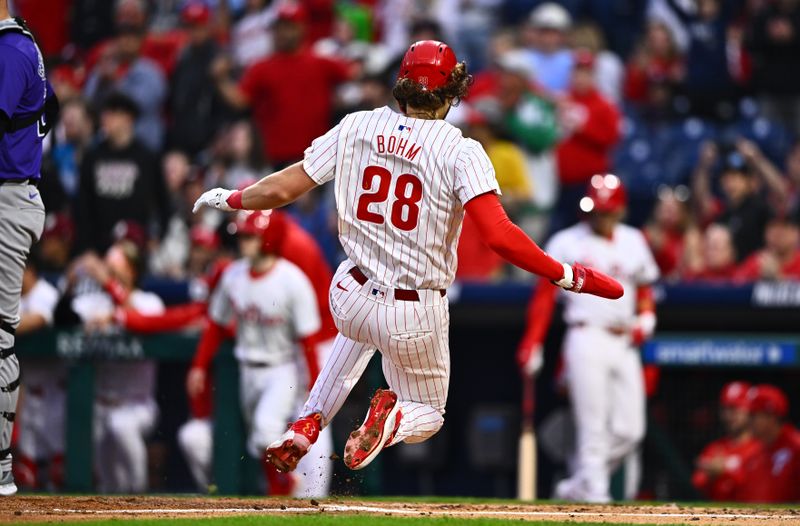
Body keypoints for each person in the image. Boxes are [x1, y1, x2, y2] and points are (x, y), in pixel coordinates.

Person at [193, 40, 623, 475]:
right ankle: (394, 420)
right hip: (413, 309)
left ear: (402, 85)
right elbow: (500, 237)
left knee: (357, 335)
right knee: (429, 414)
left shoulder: (356, 126)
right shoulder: (461, 150)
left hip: (350, 292)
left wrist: (232, 198)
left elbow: (286, 188)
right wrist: (567, 274)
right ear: (452, 91)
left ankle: (308, 422)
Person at [517, 175, 659, 503]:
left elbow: (645, 287)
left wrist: (647, 317)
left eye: (607, 211)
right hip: (586, 338)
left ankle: (576, 485)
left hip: (625, 342)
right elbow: (544, 298)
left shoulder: (634, 240)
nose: (601, 217)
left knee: (630, 431)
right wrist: (533, 342)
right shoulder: (566, 242)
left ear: (620, 210)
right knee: (592, 429)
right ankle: (596, 498)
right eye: (596, 210)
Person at [188, 210, 330, 496]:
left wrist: (315, 383)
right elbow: (215, 324)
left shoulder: (292, 280)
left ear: (268, 239)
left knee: (266, 432)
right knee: (258, 442)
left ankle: (293, 485)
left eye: (251, 236)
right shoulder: (233, 275)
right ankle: (283, 490)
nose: (243, 242)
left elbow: (308, 340)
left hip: (281, 369)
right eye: (242, 235)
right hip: (247, 368)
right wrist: (199, 366)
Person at [0, 5, 56, 496]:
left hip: (8, 195)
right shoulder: (20, 47)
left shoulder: (11, 49)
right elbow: (50, 110)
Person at [67, 239, 164, 493]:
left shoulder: (149, 301)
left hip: (137, 404)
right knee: (108, 484)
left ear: (132, 271)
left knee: (121, 426)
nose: (108, 275)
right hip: (100, 403)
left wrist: (109, 286)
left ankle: (142, 497)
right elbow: (61, 317)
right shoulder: (95, 303)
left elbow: (141, 319)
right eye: (107, 270)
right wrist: (72, 278)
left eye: (115, 270)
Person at [213, 4, 350, 168]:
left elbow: (354, 75)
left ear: (302, 28)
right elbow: (240, 100)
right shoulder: (261, 67)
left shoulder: (321, 62)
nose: (282, 33)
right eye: (279, 27)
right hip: (275, 161)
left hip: (316, 159)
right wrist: (221, 79)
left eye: (288, 26)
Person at [75, 93, 170, 255]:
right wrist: (85, 247)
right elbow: (82, 205)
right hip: (99, 247)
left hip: (135, 247)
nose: (105, 118)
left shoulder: (146, 157)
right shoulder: (93, 157)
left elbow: (163, 201)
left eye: (112, 113)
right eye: (105, 113)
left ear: (128, 118)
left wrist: (158, 236)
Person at [11, 260, 61, 491]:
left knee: (58, 468)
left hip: (57, 392)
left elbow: (38, 319)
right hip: (29, 391)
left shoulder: (46, 292)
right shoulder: (14, 298)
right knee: (27, 468)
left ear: (28, 270)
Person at [692, 381, 759, 501]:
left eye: (735, 409)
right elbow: (697, 481)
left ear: (750, 411)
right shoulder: (716, 448)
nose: (729, 415)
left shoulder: (760, 448)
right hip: (719, 515)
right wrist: (710, 475)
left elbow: (761, 485)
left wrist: (727, 471)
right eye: (725, 409)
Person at [736, 385, 800, 503]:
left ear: (771, 416)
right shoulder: (754, 452)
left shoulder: (796, 447)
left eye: (753, 415)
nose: (748, 420)